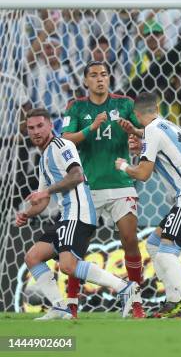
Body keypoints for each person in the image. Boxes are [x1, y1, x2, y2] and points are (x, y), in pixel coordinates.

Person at [19, 108, 139, 320]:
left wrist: (46, 191)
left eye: (40, 126)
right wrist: (28, 214)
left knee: (68, 266)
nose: (36, 131)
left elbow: (76, 175)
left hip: (78, 212)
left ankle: (125, 288)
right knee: (33, 257)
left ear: (49, 125)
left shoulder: (62, 145)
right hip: (66, 215)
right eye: (31, 128)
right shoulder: (43, 158)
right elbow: (43, 199)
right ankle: (59, 307)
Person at [115, 91, 181, 318]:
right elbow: (152, 140)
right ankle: (173, 301)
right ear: (156, 108)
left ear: (136, 114)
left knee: (165, 253)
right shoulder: (167, 125)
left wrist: (123, 165)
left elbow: (142, 174)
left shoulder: (151, 131)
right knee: (154, 243)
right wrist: (137, 135)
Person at [62, 61, 145, 318]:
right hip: (88, 187)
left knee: (130, 241)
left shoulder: (125, 104)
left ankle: (136, 302)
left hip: (120, 184)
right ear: (86, 81)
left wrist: (134, 131)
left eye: (104, 75)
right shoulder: (76, 107)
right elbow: (65, 139)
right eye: (94, 75)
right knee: (78, 248)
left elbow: (148, 131)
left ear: (110, 79)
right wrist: (91, 128)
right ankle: (72, 304)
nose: (100, 79)